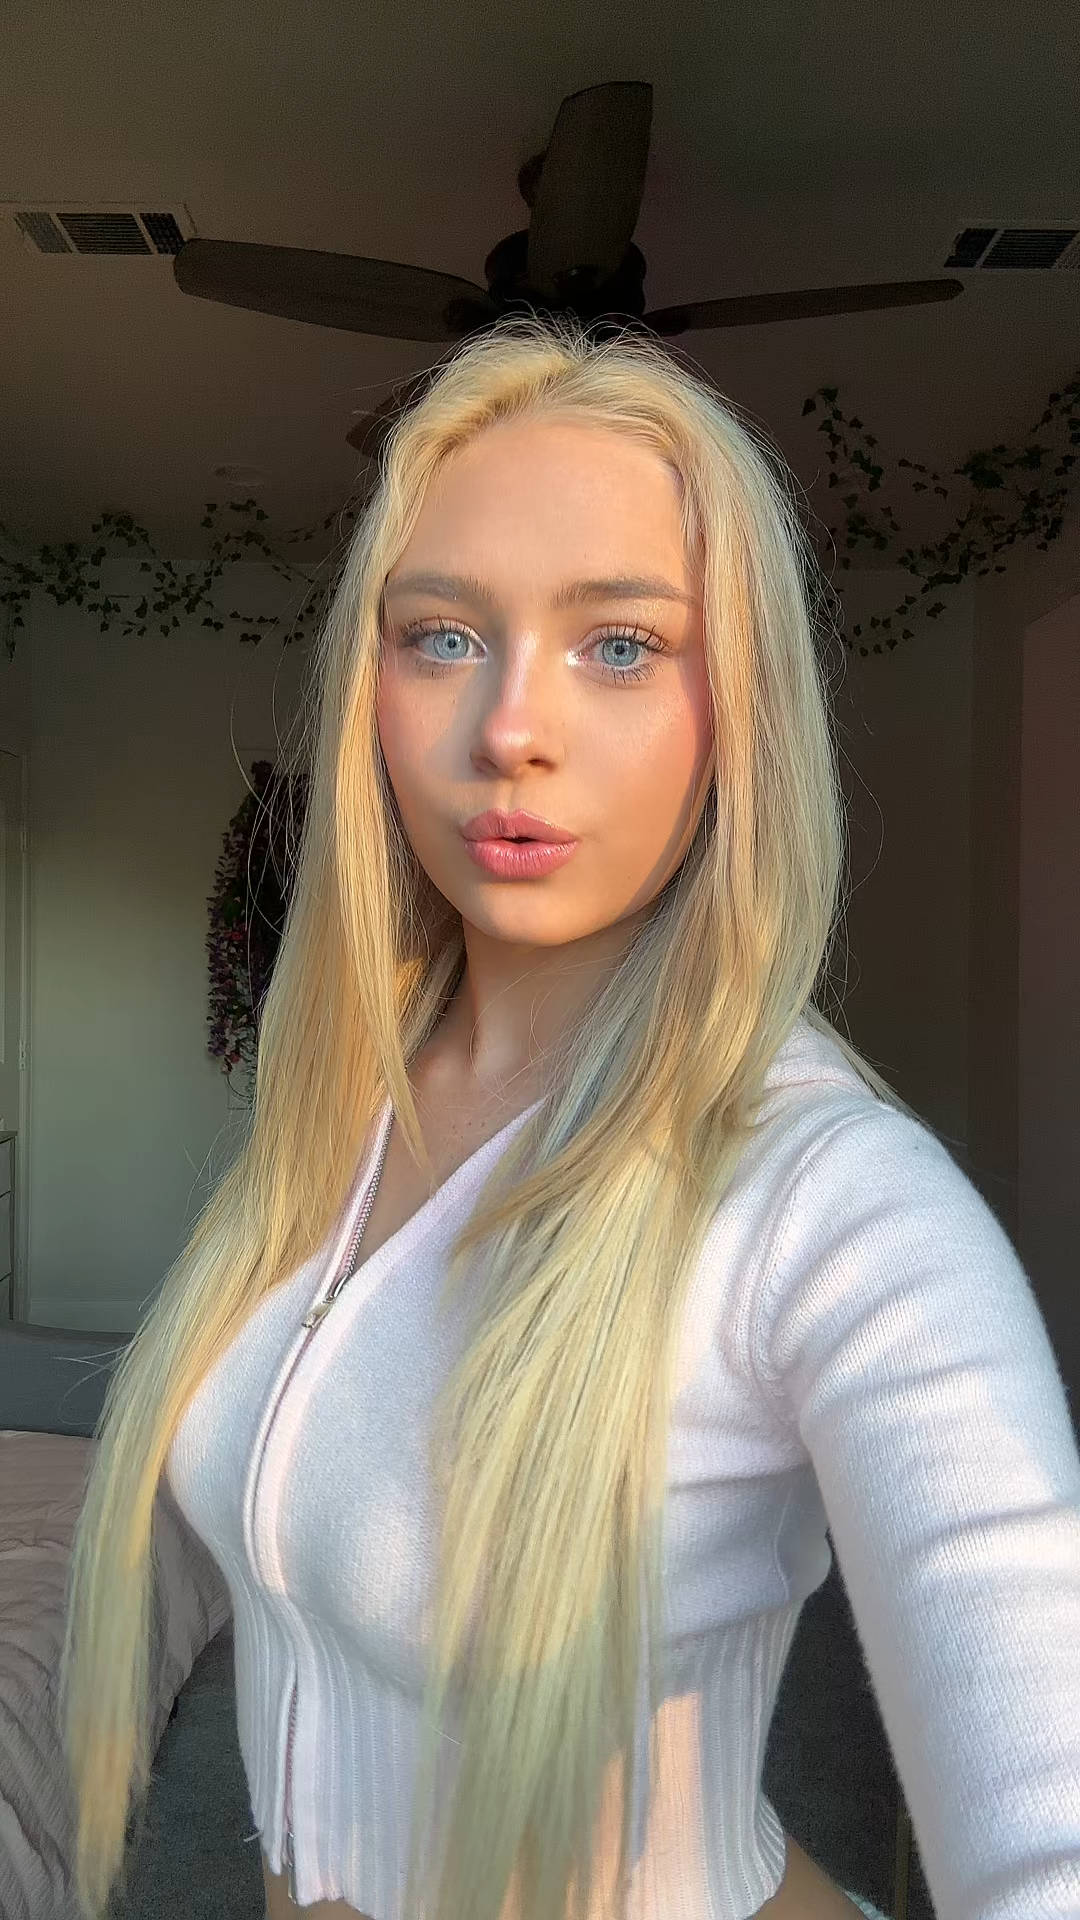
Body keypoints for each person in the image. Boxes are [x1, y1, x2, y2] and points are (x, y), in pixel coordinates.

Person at [59, 316, 1080, 1920]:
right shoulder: (343, 1103)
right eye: (441, 636)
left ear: (738, 708)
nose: (508, 728)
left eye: (619, 645)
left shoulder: (831, 1200)